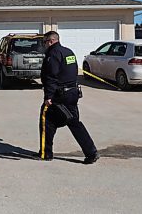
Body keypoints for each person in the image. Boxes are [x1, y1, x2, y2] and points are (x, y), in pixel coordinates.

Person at [36, 31, 99, 164]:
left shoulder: (53, 54)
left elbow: (51, 76)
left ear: (51, 41)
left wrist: (48, 96)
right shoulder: (68, 52)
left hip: (59, 96)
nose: (44, 45)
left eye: (45, 42)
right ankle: (91, 152)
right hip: (72, 93)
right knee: (73, 123)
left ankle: (45, 153)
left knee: (45, 120)